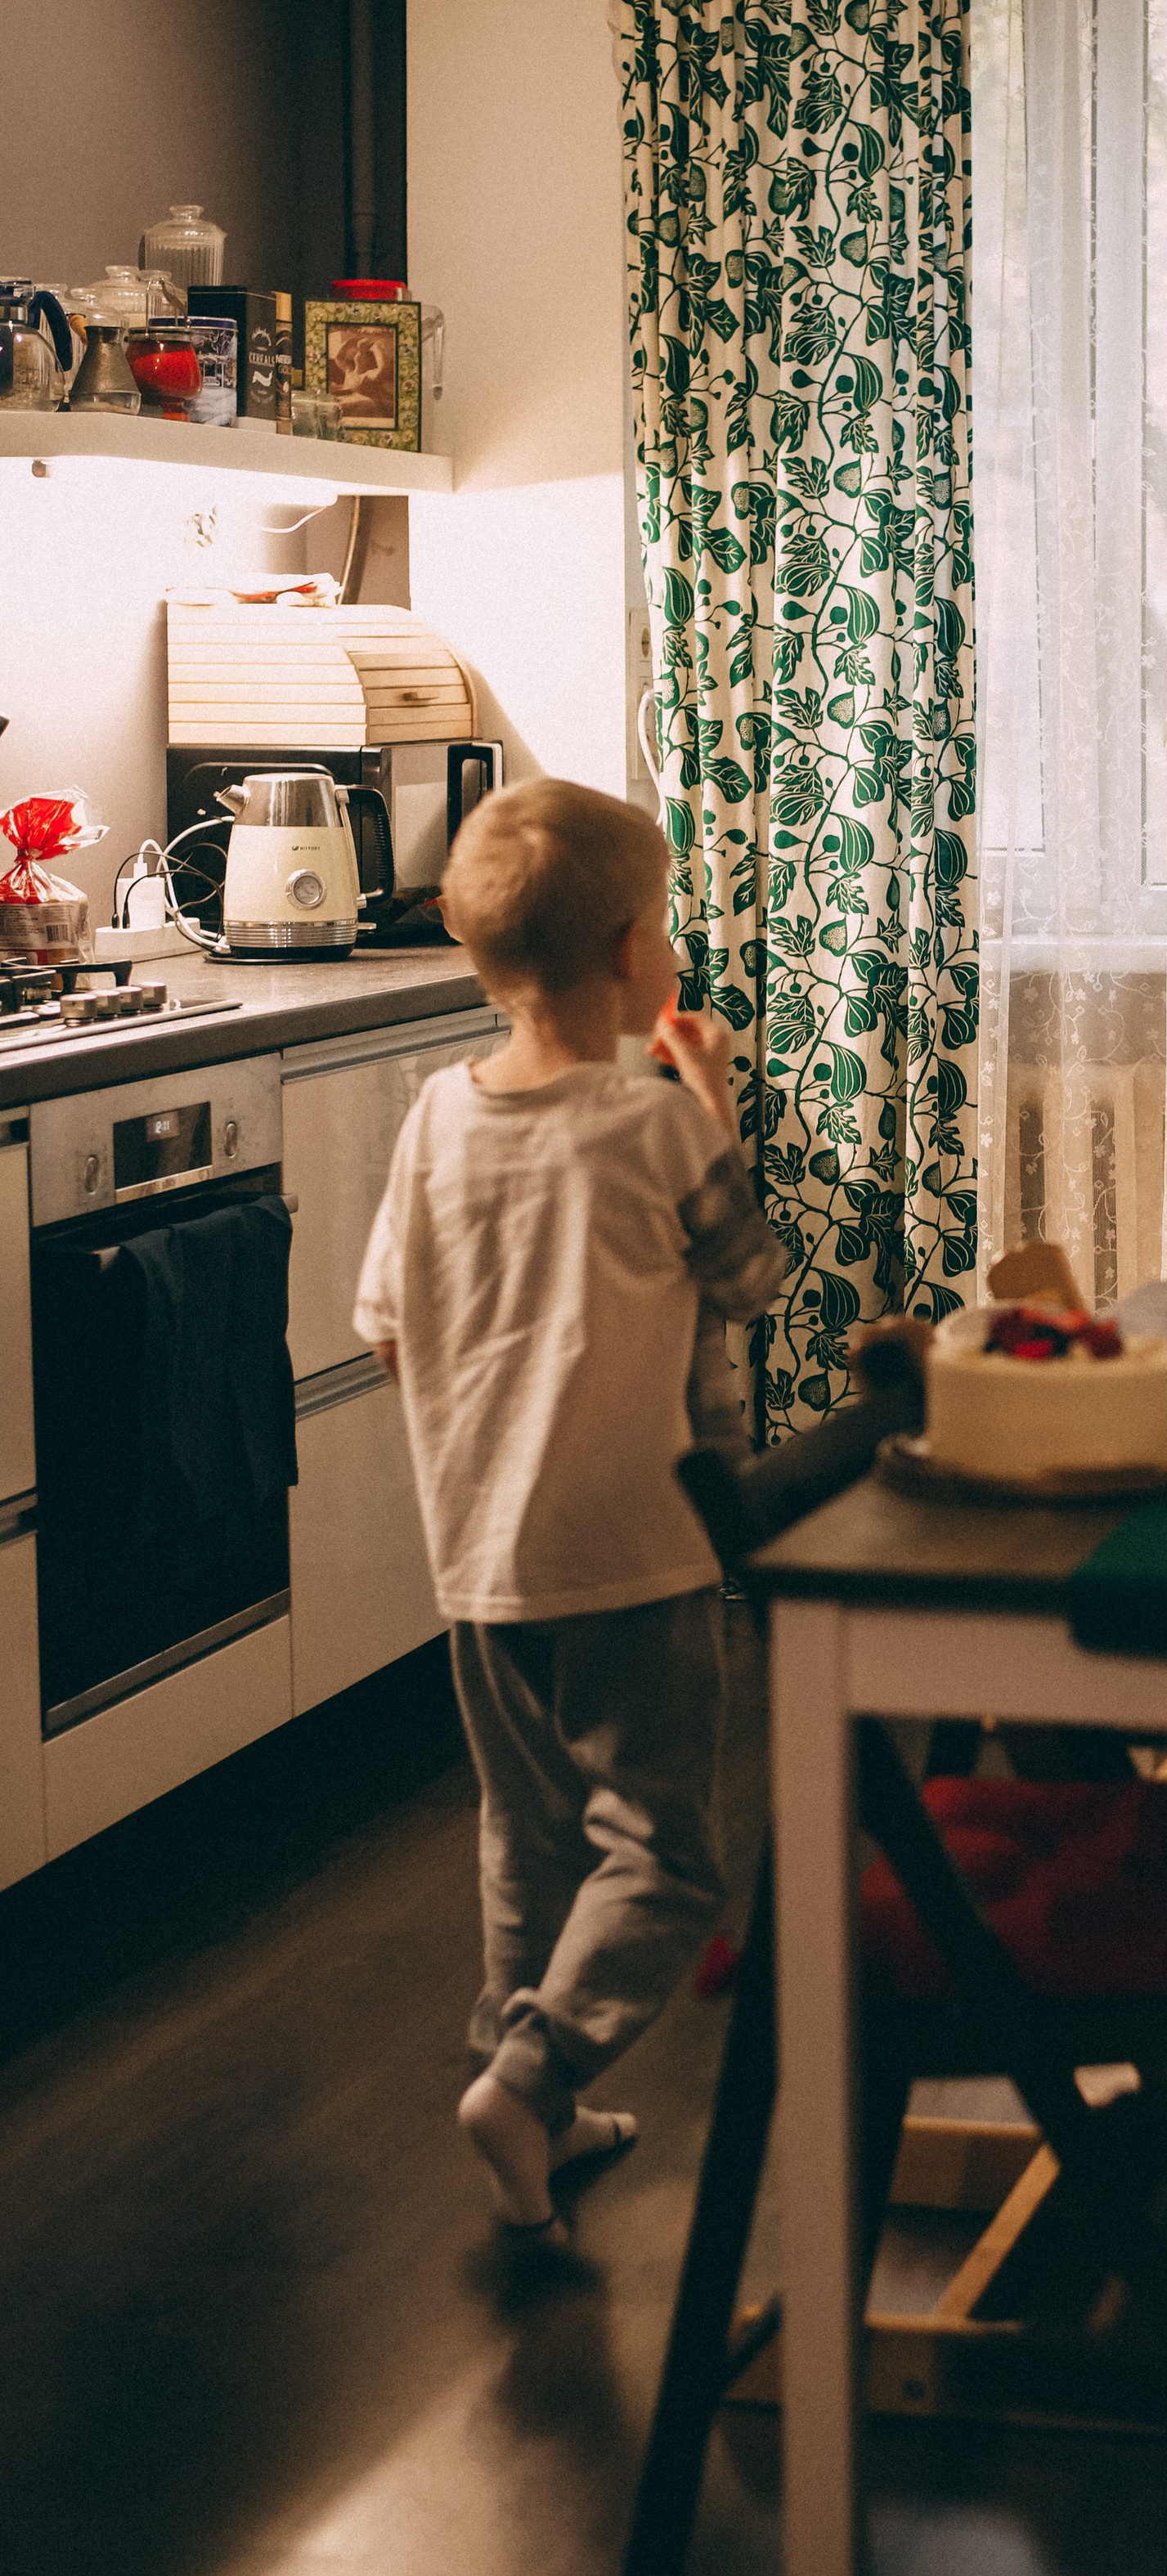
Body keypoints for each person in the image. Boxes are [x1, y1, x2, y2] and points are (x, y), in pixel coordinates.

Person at [354, 779, 783, 2237]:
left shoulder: (432, 1121)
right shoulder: (654, 1127)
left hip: (479, 1560)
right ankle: (535, 2070)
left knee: (525, 1832)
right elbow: (749, 1280)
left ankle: (526, 2102)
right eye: (659, 924)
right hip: (635, 1555)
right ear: (624, 956)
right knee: (663, 1855)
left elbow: (388, 1328)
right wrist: (712, 1105)